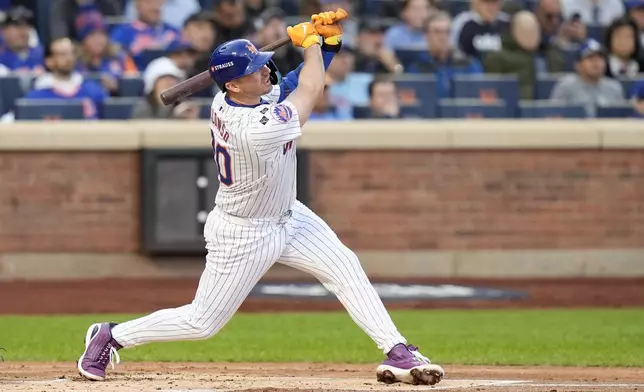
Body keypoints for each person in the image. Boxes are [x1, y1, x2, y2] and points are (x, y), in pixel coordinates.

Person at [76, 9, 445, 387]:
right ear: (233, 86)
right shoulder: (251, 129)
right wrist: (312, 48)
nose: (265, 71)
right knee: (202, 322)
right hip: (244, 232)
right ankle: (112, 335)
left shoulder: (240, 97)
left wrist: (329, 44)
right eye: (254, 69)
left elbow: (289, 85)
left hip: (287, 215)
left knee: (345, 267)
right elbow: (310, 91)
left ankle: (398, 350)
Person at [483, 11, 565, 99]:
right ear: (513, 31)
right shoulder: (497, 58)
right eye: (525, 29)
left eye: (533, 29)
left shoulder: (551, 55)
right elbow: (491, 92)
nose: (530, 34)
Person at [24, 38, 108, 119]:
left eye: (72, 53)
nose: (69, 58)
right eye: (63, 54)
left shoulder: (93, 90)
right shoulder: (35, 97)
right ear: (49, 61)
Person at [549, 38, 625, 117]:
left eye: (600, 58)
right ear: (577, 65)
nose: (596, 62)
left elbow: (622, 118)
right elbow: (555, 117)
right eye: (590, 57)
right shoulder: (566, 86)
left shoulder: (614, 87)